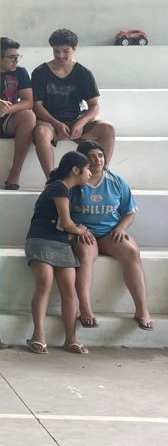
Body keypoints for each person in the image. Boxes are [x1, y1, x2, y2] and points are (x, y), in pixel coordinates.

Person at [70, 140, 153, 332]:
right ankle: (85, 309)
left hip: (110, 233)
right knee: (85, 255)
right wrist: (77, 229)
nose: (97, 160)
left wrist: (121, 228)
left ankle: (142, 310)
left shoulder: (116, 181)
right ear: (82, 160)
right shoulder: (74, 182)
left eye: (100, 156)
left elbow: (129, 212)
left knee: (132, 252)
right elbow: (62, 214)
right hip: (85, 234)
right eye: (91, 157)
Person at [24, 151, 92, 355]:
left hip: (61, 243)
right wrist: (82, 231)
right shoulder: (58, 187)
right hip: (41, 239)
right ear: (75, 170)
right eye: (87, 169)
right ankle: (39, 336)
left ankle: (71, 339)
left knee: (69, 289)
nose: (90, 173)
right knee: (44, 284)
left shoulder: (68, 190)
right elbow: (67, 223)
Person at [31, 28, 116, 178]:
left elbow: (94, 106)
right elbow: (37, 106)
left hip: (76, 120)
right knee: (41, 132)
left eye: (65, 51)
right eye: (56, 51)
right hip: (49, 122)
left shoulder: (83, 73)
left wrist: (81, 123)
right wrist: (57, 124)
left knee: (108, 128)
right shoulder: (40, 72)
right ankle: (52, 180)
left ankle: (100, 177)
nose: (60, 55)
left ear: (74, 49)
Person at [0, 36, 37, 190]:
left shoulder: (20, 72)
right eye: (11, 58)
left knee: (28, 116)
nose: (16, 61)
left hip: (8, 118)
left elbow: (28, 101)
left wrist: (7, 109)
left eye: (17, 57)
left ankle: (15, 172)